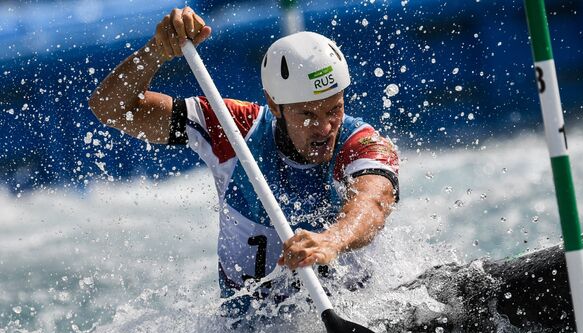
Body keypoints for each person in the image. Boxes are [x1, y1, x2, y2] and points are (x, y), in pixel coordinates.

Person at [89, 6, 399, 315]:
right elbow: (110, 108)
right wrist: (156, 51)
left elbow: (374, 201)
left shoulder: (363, 143)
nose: (324, 127)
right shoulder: (232, 129)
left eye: (334, 109)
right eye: (307, 114)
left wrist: (333, 240)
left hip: (357, 314)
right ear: (275, 105)